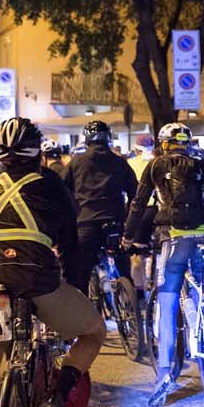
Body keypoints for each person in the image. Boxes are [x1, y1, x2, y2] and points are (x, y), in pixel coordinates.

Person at [0, 117, 103, 407]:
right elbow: (70, 244)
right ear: (37, 153)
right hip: (36, 279)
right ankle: (57, 399)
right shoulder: (51, 184)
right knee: (94, 332)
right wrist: (74, 289)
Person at [124, 122, 204, 407]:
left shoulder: (155, 166)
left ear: (164, 144)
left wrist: (128, 236)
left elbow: (138, 203)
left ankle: (165, 375)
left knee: (167, 303)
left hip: (173, 238)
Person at [61, 120, 138, 303]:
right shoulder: (119, 162)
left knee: (80, 273)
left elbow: (62, 193)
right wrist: (127, 216)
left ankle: (82, 311)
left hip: (86, 222)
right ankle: (128, 300)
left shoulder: (76, 162)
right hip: (115, 222)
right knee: (122, 264)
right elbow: (135, 192)